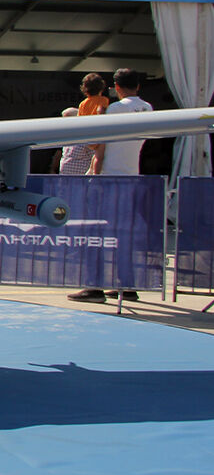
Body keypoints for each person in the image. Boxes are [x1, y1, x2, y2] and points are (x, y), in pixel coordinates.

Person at [69, 67, 153, 304]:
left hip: (108, 179)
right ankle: (127, 285)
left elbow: (96, 143)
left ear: (116, 87)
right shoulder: (147, 108)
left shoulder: (113, 109)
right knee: (124, 234)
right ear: (138, 86)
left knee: (95, 231)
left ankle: (94, 285)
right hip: (131, 176)